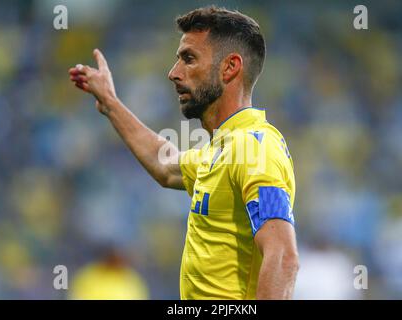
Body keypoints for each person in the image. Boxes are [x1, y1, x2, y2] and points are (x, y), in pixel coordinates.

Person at [68, 6, 299, 300]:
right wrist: (111, 103)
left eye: (188, 59)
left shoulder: (255, 147)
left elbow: (283, 258)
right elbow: (165, 165)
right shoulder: (222, 149)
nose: (173, 73)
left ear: (230, 67)